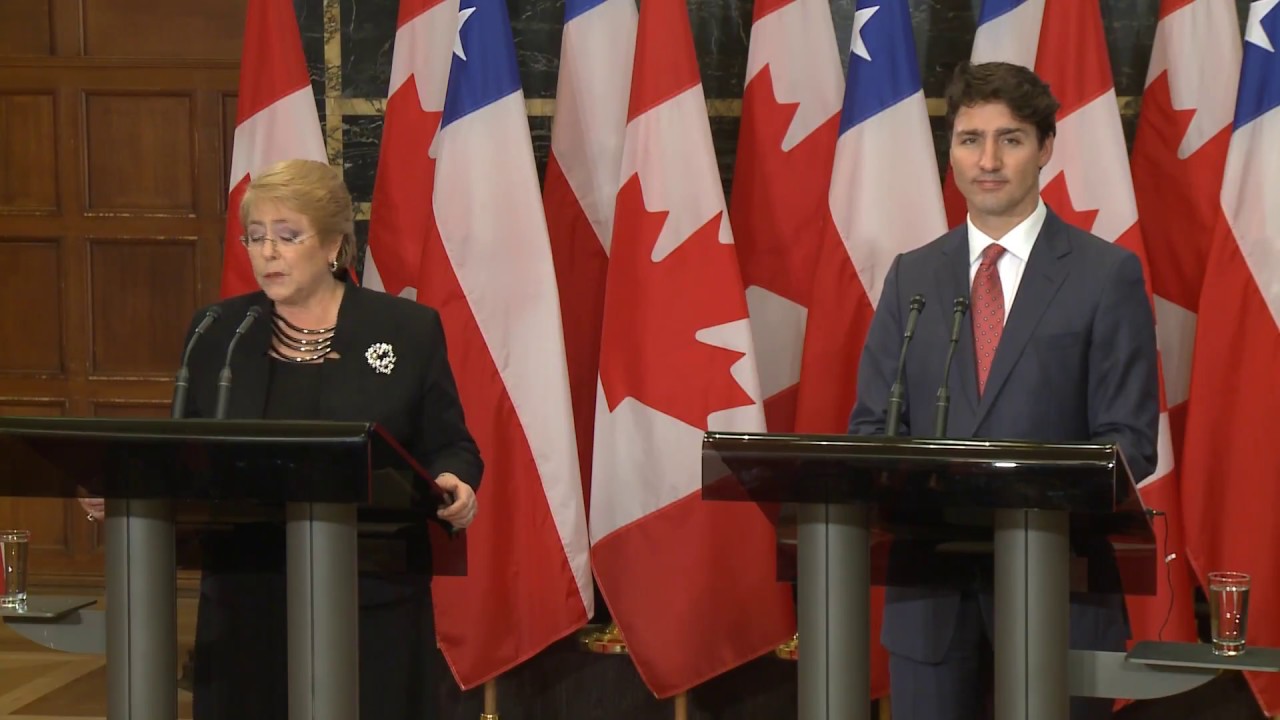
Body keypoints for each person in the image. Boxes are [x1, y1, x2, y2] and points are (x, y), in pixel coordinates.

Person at [80, 158, 482, 719]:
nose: (267, 252)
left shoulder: (405, 329)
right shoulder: (218, 332)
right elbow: (186, 452)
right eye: (256, 236)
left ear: (334, 244)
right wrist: (128, 488)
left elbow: (451, 444)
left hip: (370, 593)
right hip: (245, 596)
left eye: (287, 236)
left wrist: (455, 481)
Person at [847, 61, 1158, 720]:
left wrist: (1021, 495)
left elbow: (1129, 442)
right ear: (952, 151)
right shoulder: (911, 278)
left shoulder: (1106, 275)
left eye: (1009, 139)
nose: (987, 160)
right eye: (970, 139)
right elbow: (872, 430)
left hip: (1058, 596)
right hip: (929, 601)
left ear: (1045, 148)